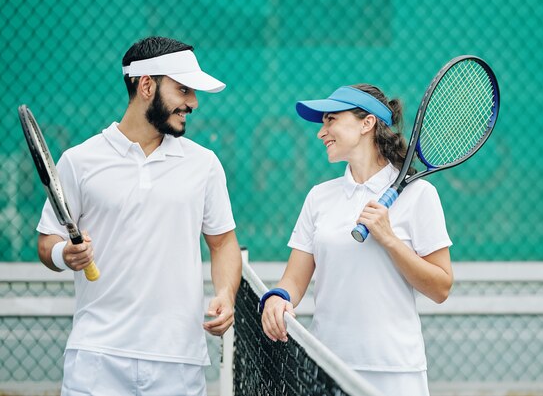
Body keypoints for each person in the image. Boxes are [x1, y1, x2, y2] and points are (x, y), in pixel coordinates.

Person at [36, 36, 242, 396]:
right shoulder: (79, 161)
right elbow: (47, 240)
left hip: (178, 360)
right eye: (183, 90)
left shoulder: (204, 164)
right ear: (146, 85)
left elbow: (223, 242)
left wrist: (225, 293)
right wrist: (63, 254)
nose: (193, 103)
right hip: (96, 357)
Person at [260, 84, 453, 396]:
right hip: (325, 366)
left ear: (367, 123)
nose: (321, 132)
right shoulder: (318, 197)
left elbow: (441, 287)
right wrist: (278, 297)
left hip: (396, 370)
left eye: (331, 120)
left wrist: (390, 240)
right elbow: (294, 280)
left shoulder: (420, 196)